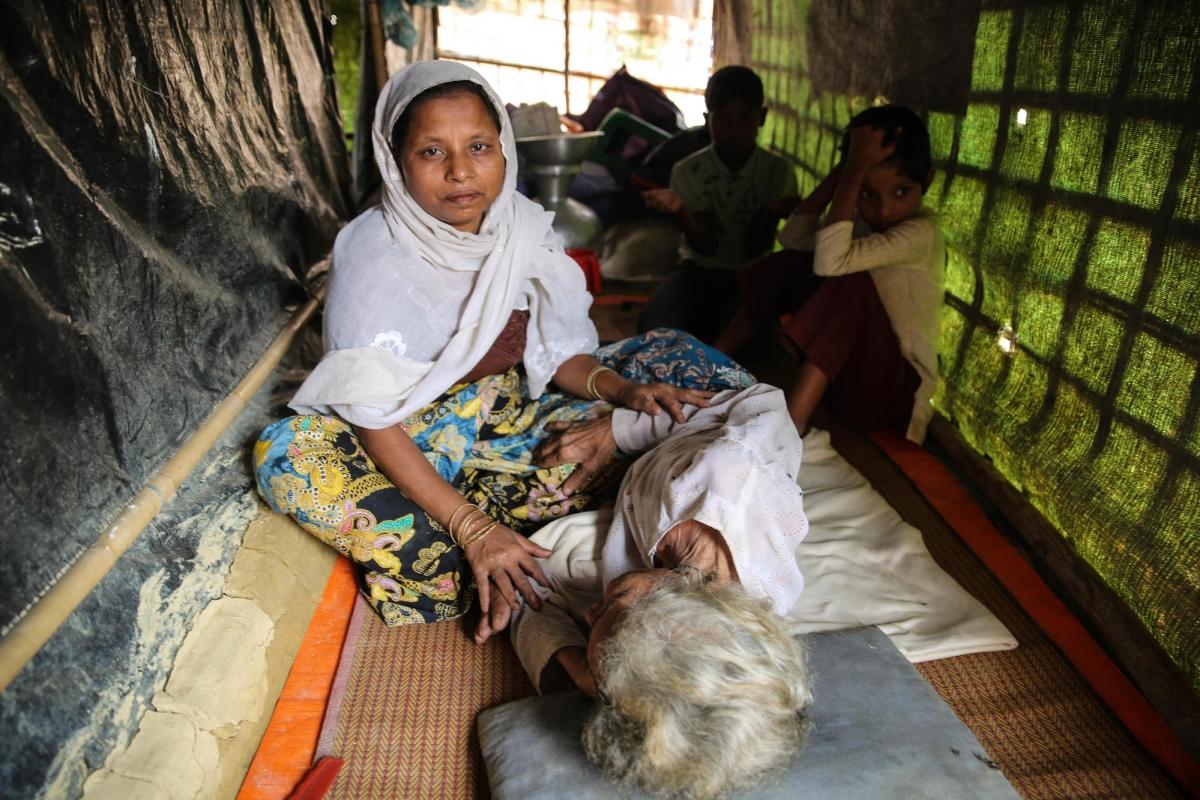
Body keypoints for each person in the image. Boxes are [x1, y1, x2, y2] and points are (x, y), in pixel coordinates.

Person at [253, 61, 752, 629]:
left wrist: (624, 392)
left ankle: (517, 539)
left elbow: (558, 353)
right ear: (396, 163)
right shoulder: (373, 255)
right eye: (432, 152)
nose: (461, 172)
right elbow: (370, 419)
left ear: (505, 149)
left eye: (480, 147)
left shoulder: (520, 229)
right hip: (409, 449)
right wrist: (471, 526)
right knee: (286, 456)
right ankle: (480, 549)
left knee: (685, 367)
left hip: (513, 428)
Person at [503, 384, 813, 799]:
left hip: (645, 463)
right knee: (535, 436)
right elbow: (764, 398)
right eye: (609, 606)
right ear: (673, 593)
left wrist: (574, 664)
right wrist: (620, 429)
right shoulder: (729, 473)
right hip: (693, 393)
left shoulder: (675, 605)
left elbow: (524, 589)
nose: (590, 612)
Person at [714, 105, 945, 444]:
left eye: (901, 192)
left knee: (849, 280)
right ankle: (716, 358)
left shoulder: (920, 233)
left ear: (927, 181)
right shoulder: (864, 225)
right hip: (851, 382)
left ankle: (794, 426)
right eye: (867, 194)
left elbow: (829, 264)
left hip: (894, 396)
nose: (883, 210)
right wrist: (846, 170)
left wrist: (856, 171)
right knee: (791, 264)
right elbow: (792, 239)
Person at [637, 65, 799, 343]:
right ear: (707, 120)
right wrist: (681, 211)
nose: (734, 131)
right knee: (654, 322)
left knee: (744, 336)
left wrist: (771, 212)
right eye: (723, 120)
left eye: (744, 119)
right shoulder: (688, 170)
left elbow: (756, 247)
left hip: (754, 272)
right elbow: (705, 247)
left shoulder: (777, 171)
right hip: (697, 269)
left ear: (761, 117)